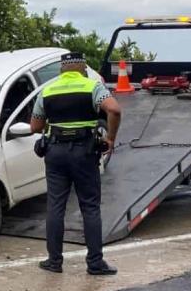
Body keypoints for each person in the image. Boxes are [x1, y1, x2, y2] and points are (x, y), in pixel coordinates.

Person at [30, 52, 122, 275]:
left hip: (55, 152)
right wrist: (110, 137)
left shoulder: (47, 90)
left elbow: (35, 126)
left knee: (55, 206)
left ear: (62, 70)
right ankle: (95, 263)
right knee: (90, 206)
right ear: (82, 69)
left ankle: (54, 261)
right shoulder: (92, 87)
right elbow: (114, 109)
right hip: (84, 151)